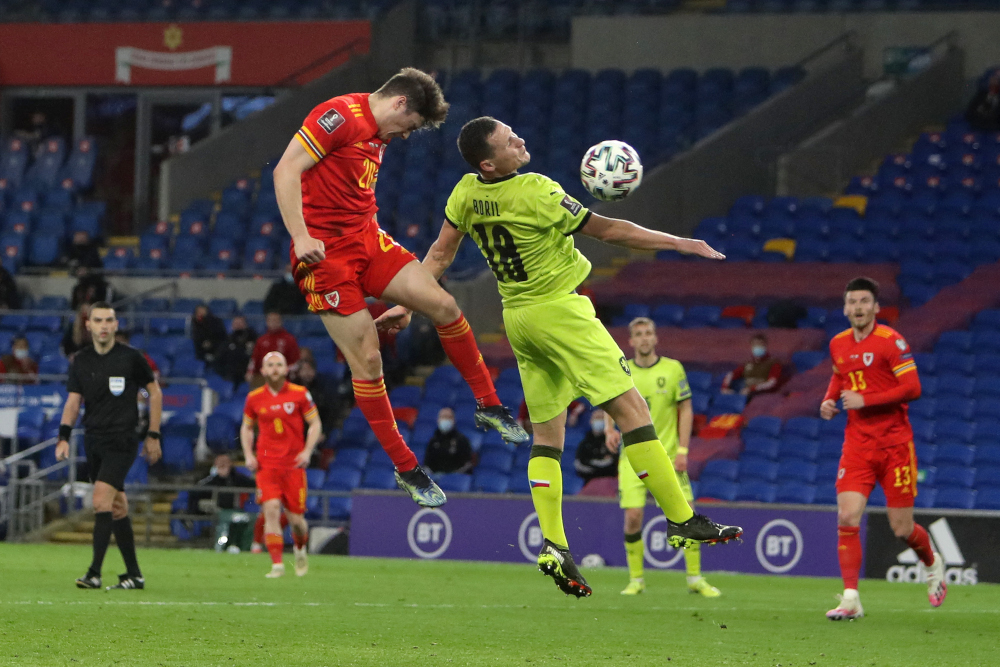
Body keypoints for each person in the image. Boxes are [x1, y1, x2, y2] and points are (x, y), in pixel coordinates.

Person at [376, 116, 742, 597]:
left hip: (519, 319)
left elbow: (440, 256)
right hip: (560, 311)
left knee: (547, 437)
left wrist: (405, 302)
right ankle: (682, 519)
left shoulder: (465, 193)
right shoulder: (537, 192)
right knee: (632, 409)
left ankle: (555, 545)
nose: (521, 140)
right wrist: (678, 242)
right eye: (510, 141)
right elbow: (608, 231)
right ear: (490, 162)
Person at [273, 67, 525, 508]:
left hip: (367, 240)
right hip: (324, 256)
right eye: (410, 126)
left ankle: (488, 404)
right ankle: (407, 467)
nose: (408, 135)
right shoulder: (337, 116)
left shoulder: (380, 132)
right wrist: (300, 234)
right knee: (369, 358)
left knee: (443, 304)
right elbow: (286, 169)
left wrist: (404, 305)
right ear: (400, 104)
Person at [820, 277, 945, 621]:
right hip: (857, 444)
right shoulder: (838, 343)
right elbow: (839, 375)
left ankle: (933, 564)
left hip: (894, 445)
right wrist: (830, 400)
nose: (857, 308)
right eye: (852, 302)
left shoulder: (892, 342)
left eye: (864, 302)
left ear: (876, 307)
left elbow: (913, 388)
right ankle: (850, 598)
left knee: (902, 528)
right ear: (845, 308)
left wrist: (866, 400)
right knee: (847, 516)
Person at [54, 302, 162, 591]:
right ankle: (134, 575)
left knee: (100, 500)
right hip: (94, 440)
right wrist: (63, 435)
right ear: (88, 325)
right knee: (116, 508)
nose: (103, 325)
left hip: (122, 440)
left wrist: (153, 434)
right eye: (98, 320)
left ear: (116, 325)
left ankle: (94, 573)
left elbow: (154, 392)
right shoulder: (81, 360)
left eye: (109, 320)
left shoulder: (131, 358)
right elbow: (73, 401)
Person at [609, 318, 720, 598]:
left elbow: (685, 408)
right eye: (639, 334)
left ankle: (695, 578)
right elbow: (608, 401)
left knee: (687, 514)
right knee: (633, 517)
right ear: (631, 341)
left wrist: (683, 450)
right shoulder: (623, 370)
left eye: (649, 333)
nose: (645, 338)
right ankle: (636, 580)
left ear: (656, 338)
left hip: (669, 456)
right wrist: (609, 429)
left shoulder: (672, 369)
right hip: (632, 457)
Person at [240, 351, 322, 578]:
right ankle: (277, 564)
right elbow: (246, 427)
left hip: (293, 465)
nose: (275, 368)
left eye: (279, 364)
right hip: (267, 465)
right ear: (263, 371)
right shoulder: (254, 398)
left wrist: (307, 451)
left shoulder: (300, 394)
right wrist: (248, 454)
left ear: (286, 370)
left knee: (297, 521)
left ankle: (299, 547)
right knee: (271, 510)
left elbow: (315, 423)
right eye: (270, 365)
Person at [720, 333, 783, 398]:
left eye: (760, 345)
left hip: (758, 393)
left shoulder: (774, 363)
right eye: (755, 345)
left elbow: (771, 383)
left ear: (765, 346)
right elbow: (731, 374)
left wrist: (752, 389)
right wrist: (724, 387)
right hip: (743, 391)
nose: (757, 347)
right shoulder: (748, 363)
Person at [190, 453, 256, 514]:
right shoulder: (211, 479)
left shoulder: (237, 478)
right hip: (216, 511)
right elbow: (197, 490)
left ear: (230, 463)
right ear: (215, 465)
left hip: (235, 510)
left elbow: (253, 484)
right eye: (219, 463)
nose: (222, 464)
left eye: (224, 462)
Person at [246, 312, 300, 386]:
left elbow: (295, 361)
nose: (273, 323)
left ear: (281, 322)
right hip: (264, 377)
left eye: (276, 320)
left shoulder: (289, 340)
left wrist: (283, 371)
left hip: (283, 377)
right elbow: (254, 359)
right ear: (267, 322)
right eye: (271, 320)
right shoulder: (261, 340)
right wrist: (250, 372)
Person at [292, 358, 339, 442]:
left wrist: (324, 432)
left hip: (321, 424)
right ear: (298, 373)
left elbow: (330, 412)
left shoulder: (324, 386)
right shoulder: (294, 387)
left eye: (309, 369)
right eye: (304, 370)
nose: (307, 373)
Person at [424, 407, 473, 474]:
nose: (445, 419)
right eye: (443, 417)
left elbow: (466, 463)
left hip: (455, 478)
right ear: (438, 420)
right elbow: (427, 463)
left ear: (454, 420)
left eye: (448, 417)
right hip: (434, 478)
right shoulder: (433, 441)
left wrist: (449, 477)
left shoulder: (462, 440)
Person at [573, 409, 617, 483]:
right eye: (597, 418)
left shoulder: (613, 442)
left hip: (608, 484)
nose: (599, 421)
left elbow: (613, 467)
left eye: (602, 418)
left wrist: (592, 465)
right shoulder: (584, 443)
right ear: (591, 421)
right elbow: (579, 466)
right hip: (588, 484)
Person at [215, 315, 257, 387]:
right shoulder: (227, 340)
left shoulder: (253, 339)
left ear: (245, 324)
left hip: (247, 377)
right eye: (236, 323)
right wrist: (225, 374)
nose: (238, 326)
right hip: (230, 377)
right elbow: (218, 359)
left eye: (240, 323)